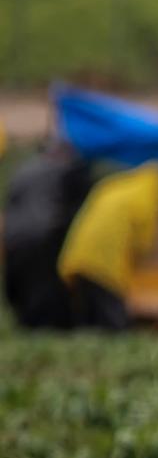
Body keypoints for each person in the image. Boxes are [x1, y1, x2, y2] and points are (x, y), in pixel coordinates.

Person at [57, 160, 158, 331]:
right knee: (113, 324)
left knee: (89, 317)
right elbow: (142, 238)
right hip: (104, 264)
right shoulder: (148, 195)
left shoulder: (117, 186)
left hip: (77, 257)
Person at [3, 140, 94, 330]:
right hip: (48, 233)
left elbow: (12, 203)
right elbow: (80, 210)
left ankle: (27, 327)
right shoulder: (70, 171)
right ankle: (52, 329)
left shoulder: (23, 170)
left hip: (14, 235)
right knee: (50, 289)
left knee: (23, 285)